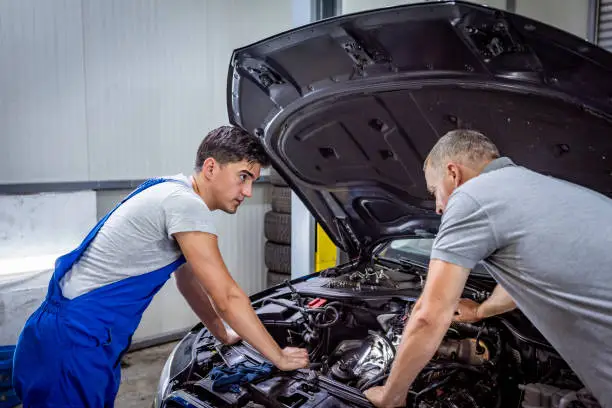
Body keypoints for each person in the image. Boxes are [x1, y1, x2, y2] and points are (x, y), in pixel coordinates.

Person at [12, 125, 309, 407]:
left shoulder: (169, 190)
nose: (247, 191)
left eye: (253, 181)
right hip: (73, 343)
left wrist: (223, 335)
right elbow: (227, 297)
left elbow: (189, 283)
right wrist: (278, 357)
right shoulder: (185, 204)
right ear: (210, 168)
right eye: (243, 176)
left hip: (73, 336)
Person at [363, 129, 612, 408]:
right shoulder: (540, 187)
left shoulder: (471, 196)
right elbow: (529, 271)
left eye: (434, 191)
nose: (436, 207)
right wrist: (481, 311)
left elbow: (429, 316)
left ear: (453, 174)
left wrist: (391, 395)